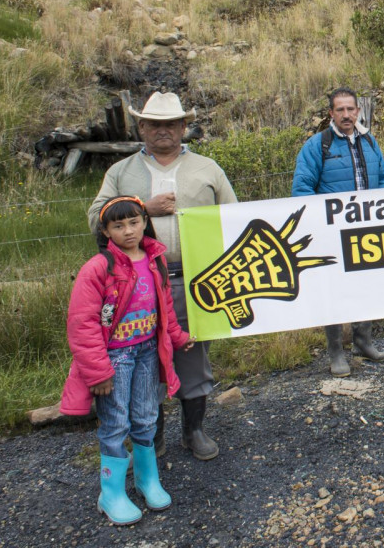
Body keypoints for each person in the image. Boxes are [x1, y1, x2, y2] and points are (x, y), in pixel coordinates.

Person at [88, 91, 236, 461]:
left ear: (184, 127)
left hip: (195, 279)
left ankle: (194, 431)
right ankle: (150, 437)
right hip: (136, 284)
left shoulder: (208, 169)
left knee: (191, 351)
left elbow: (233, 218)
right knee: (141, 358)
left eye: (171, 123)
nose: (163, 130)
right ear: (141, 127)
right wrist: (142, 208)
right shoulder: (121, 172)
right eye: (154, 124)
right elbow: (95, 218)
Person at [64, 196, 194, 524]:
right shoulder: (98, 268)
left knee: (146, 416)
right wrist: (98, 372)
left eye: (134, 222)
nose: (128, 231)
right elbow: (82, 322)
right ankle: (111, 493)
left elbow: (165, 305)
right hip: (114, 359)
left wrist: (177, 338)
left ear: (144, 222)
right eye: (118, 225)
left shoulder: (154, 259)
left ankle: (147, 480)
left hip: (148, 351)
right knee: (115, 422)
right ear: (105, 230)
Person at [292, 88, 384, 375]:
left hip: (367, 231)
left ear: (358, 112)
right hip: (332, 233)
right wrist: (318, 225)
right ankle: (336, 352)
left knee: (366, 286)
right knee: (334, 290)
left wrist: (379, 209)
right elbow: (301, 189)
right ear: (331, 114)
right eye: (340, 110)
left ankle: (364, 342)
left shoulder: (370, 141)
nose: (347, 115)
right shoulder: (317, 146)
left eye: (351, 109)